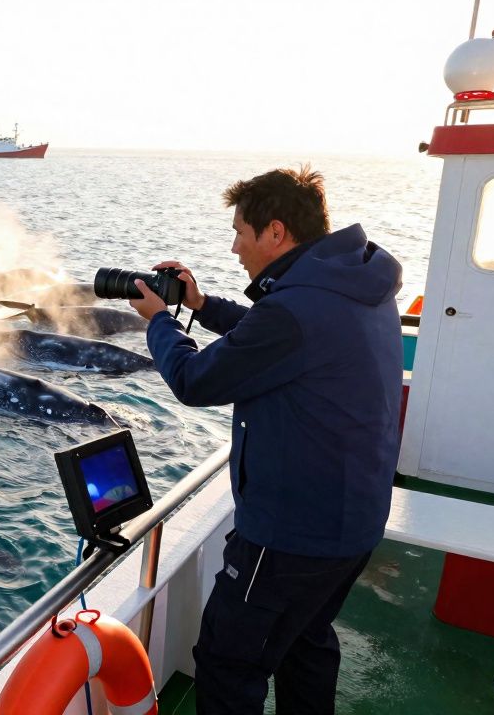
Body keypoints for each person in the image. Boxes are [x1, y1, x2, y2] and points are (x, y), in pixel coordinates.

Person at [125, 166, 403, 714]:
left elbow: (196, 381)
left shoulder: (298, 309)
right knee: (306, 643)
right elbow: (269, 333)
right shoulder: (352, 284)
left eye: (240, 233)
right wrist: (201, 306)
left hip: (289, 537)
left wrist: (161, 321)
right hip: (352, 521)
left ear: (276, 232)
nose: (234, 248)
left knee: (229, 666)